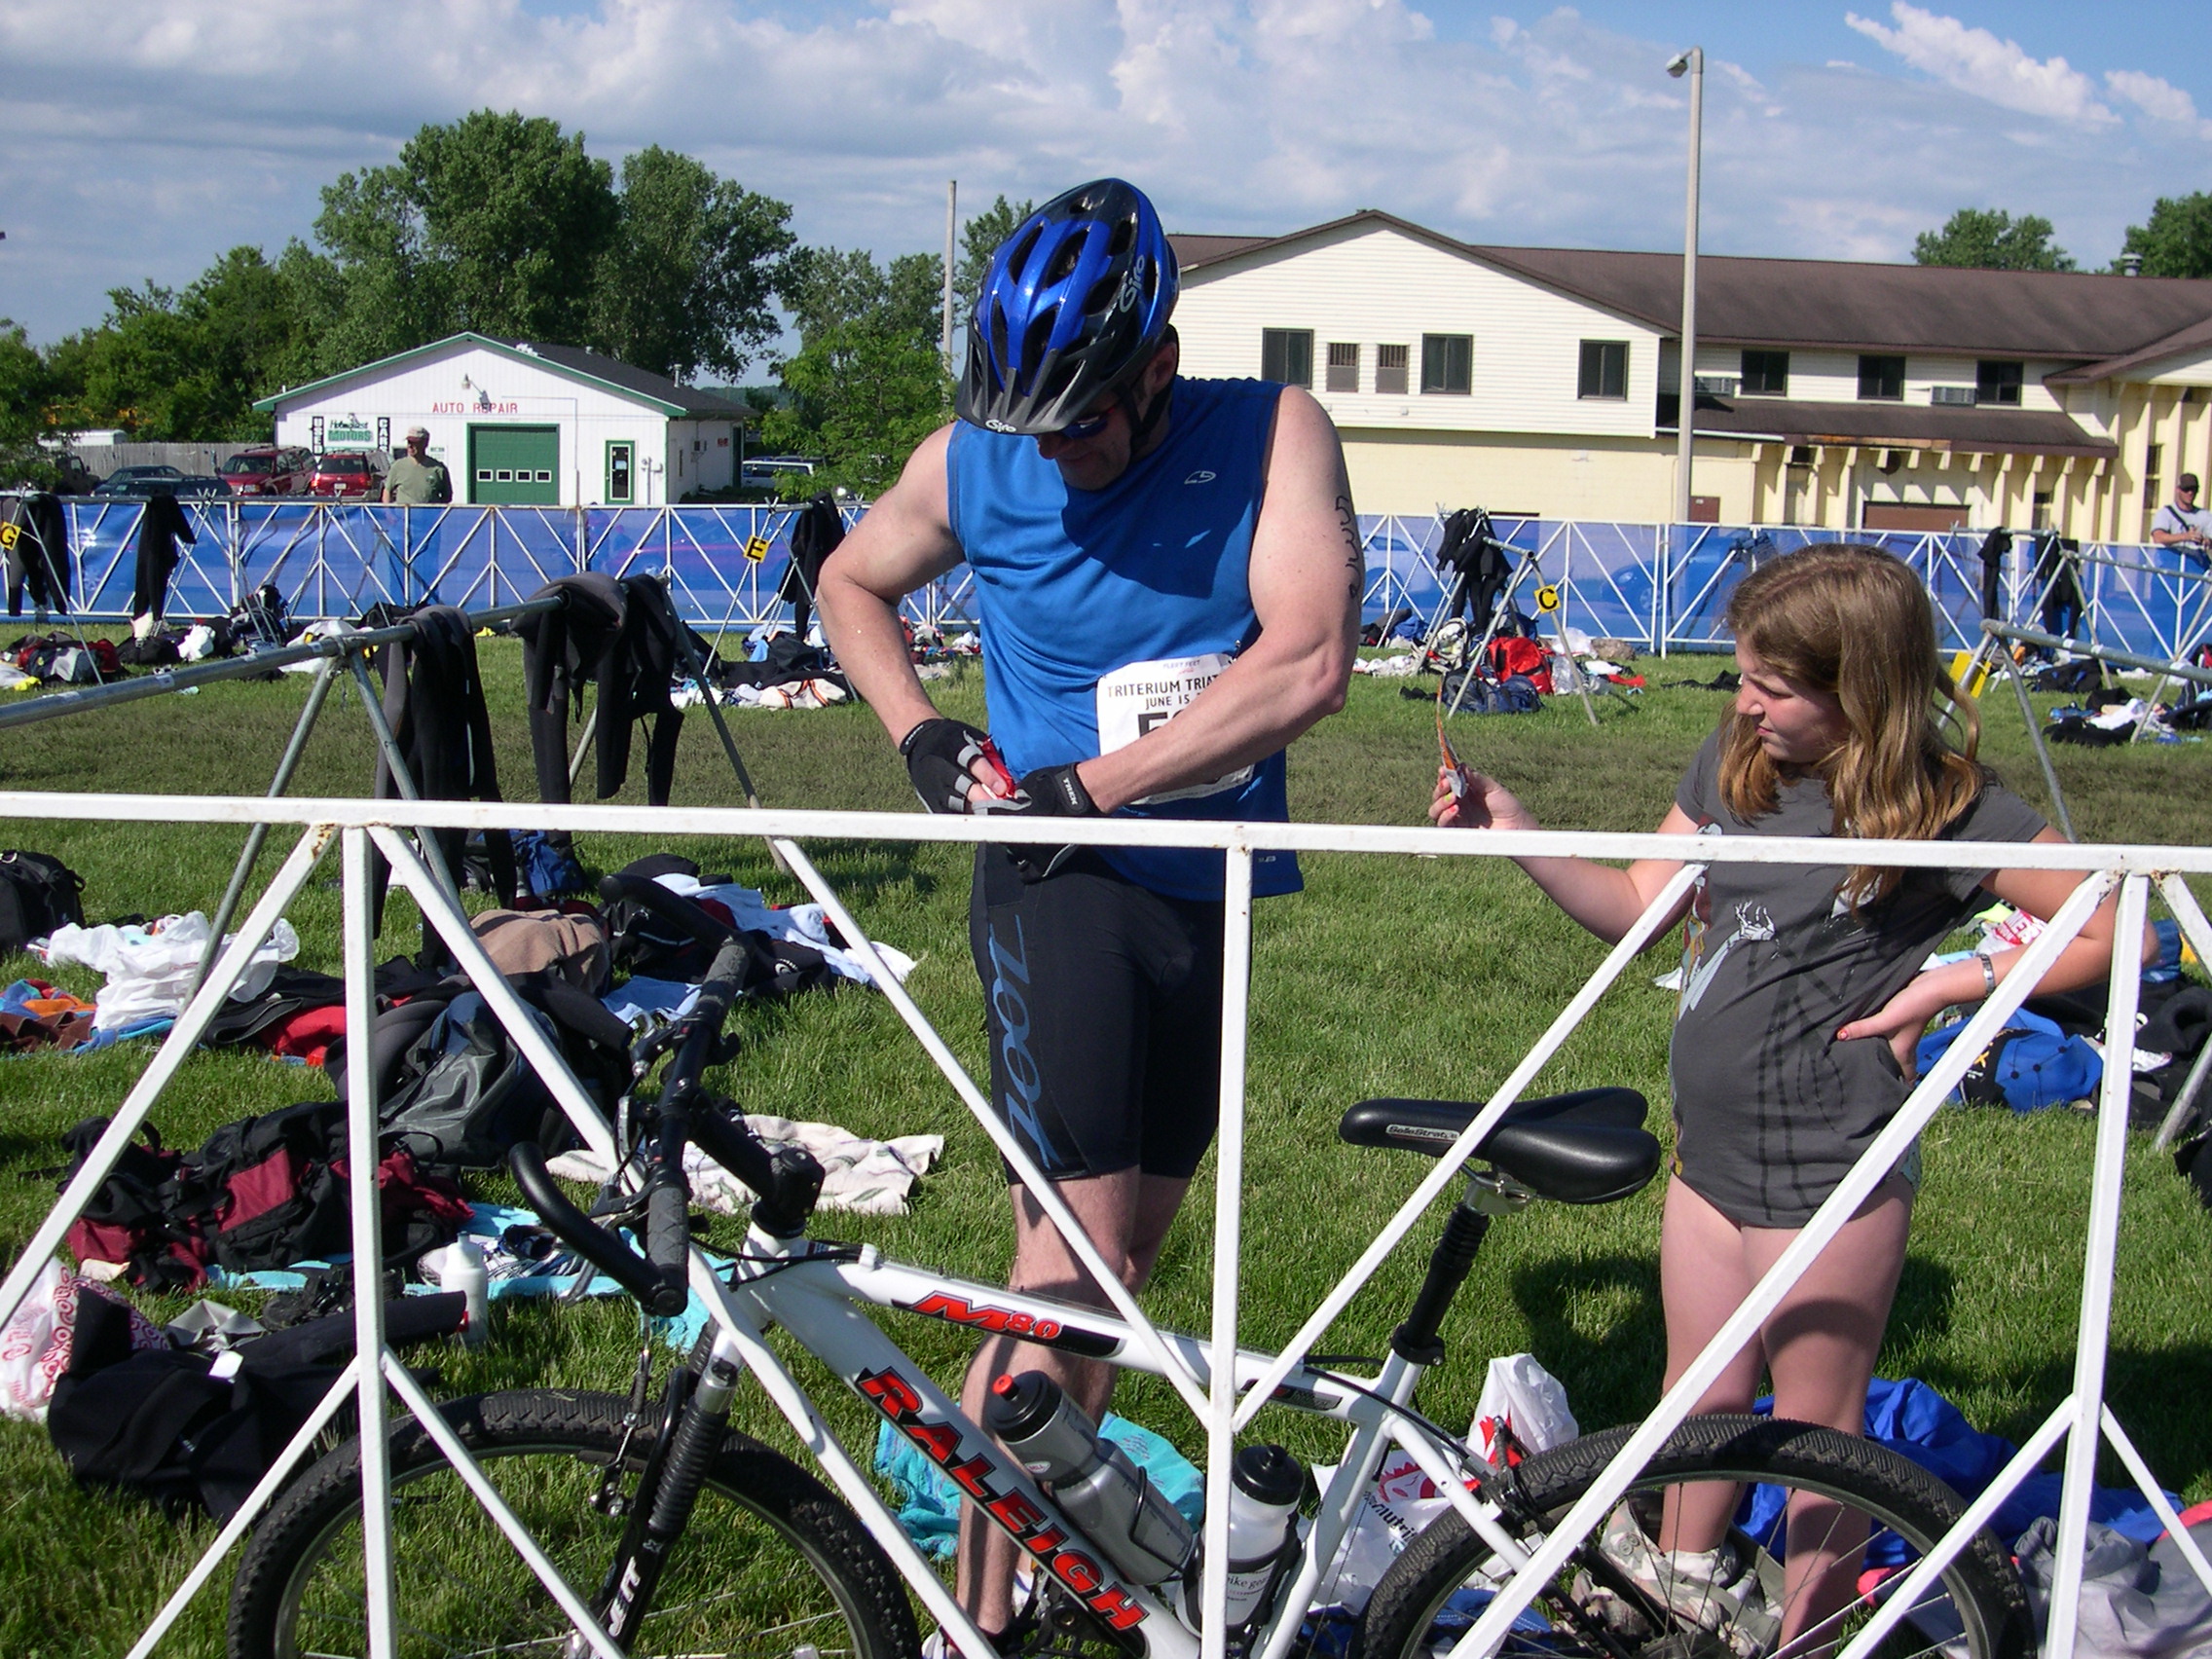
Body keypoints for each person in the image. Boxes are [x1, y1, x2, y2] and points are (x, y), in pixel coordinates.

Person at [817, 176, 1360, 1644]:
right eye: (1029, 426)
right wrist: (918, 730)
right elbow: (851, 581)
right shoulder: (974, 457)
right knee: (1068, 1274)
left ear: (1157, 368)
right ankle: (980, 1620)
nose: (1051, 453)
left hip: (1200, 882)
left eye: (1081, 423)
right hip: (1055, 887)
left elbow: (1311, 659)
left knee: (1117, 1282)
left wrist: (1097, 784)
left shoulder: (1273, 431)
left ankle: (1050, 1566)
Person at [1427, 545, 2129, 1646]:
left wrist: (1953, 983)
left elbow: (2116, 923)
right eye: (1746, 676)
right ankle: (1679, 1592)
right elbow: (1639, 907)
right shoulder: (1738, 760)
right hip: (1708, 1154)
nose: (1744, 702)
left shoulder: (1946, 808)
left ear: (1864, 692)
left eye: (1774, 685)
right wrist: (1518, 834)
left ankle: (1812, 1631)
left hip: (1831, 1168)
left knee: (1819, 1436)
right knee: (1698, 1393)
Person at [381, 426, 452, 504]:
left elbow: (447, 497)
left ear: (425, 443)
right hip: (403, 512)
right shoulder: (397, 466)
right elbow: (387, 491)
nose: (410, 446)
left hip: (429, 512)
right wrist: (388, 510)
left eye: (414, 443)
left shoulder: (438, 469)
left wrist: (436, 509)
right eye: (409, 442)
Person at [2150, 472, 2212, 559]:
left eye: (2194, 489)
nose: (2190, 493)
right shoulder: (2165, 513)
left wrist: (2207, 541)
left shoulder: (2205, 515)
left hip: (2196, 565)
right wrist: (2186, 536)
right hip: (2170, 563)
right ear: (2178, 490)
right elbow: (2158, 538)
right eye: (2186, 489)